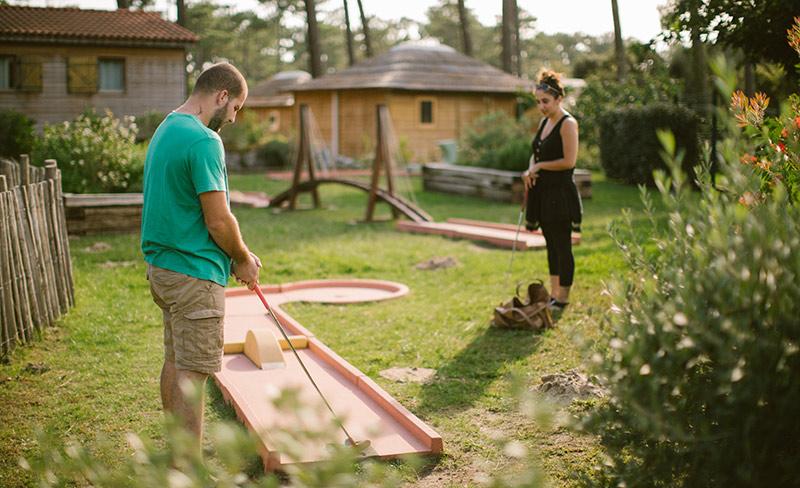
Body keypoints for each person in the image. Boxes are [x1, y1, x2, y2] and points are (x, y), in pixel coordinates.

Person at [140, 62, 261, 445]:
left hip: (163, 269)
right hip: (194, 275)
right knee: (193, 373)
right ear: (222, 96)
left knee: (177, 361)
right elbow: (218, 221)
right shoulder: (204, 140)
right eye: (236, 107)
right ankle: (188, 469)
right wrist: (242, 257)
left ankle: (177, 457)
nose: (234, 118)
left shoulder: (166, 128)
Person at [521, 69, 582, 311]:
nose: (541, 107)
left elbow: (569, 161)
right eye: (538, 102)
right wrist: (529, 170)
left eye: (545, 101)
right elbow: (536, 152)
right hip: (544, 194)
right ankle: (554, 294)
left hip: (561, 194)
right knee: (550, 244)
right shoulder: (544, 122)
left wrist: (540, 166)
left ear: (559, 99)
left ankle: (563, 298)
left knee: (562, 246)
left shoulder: (568, 124)